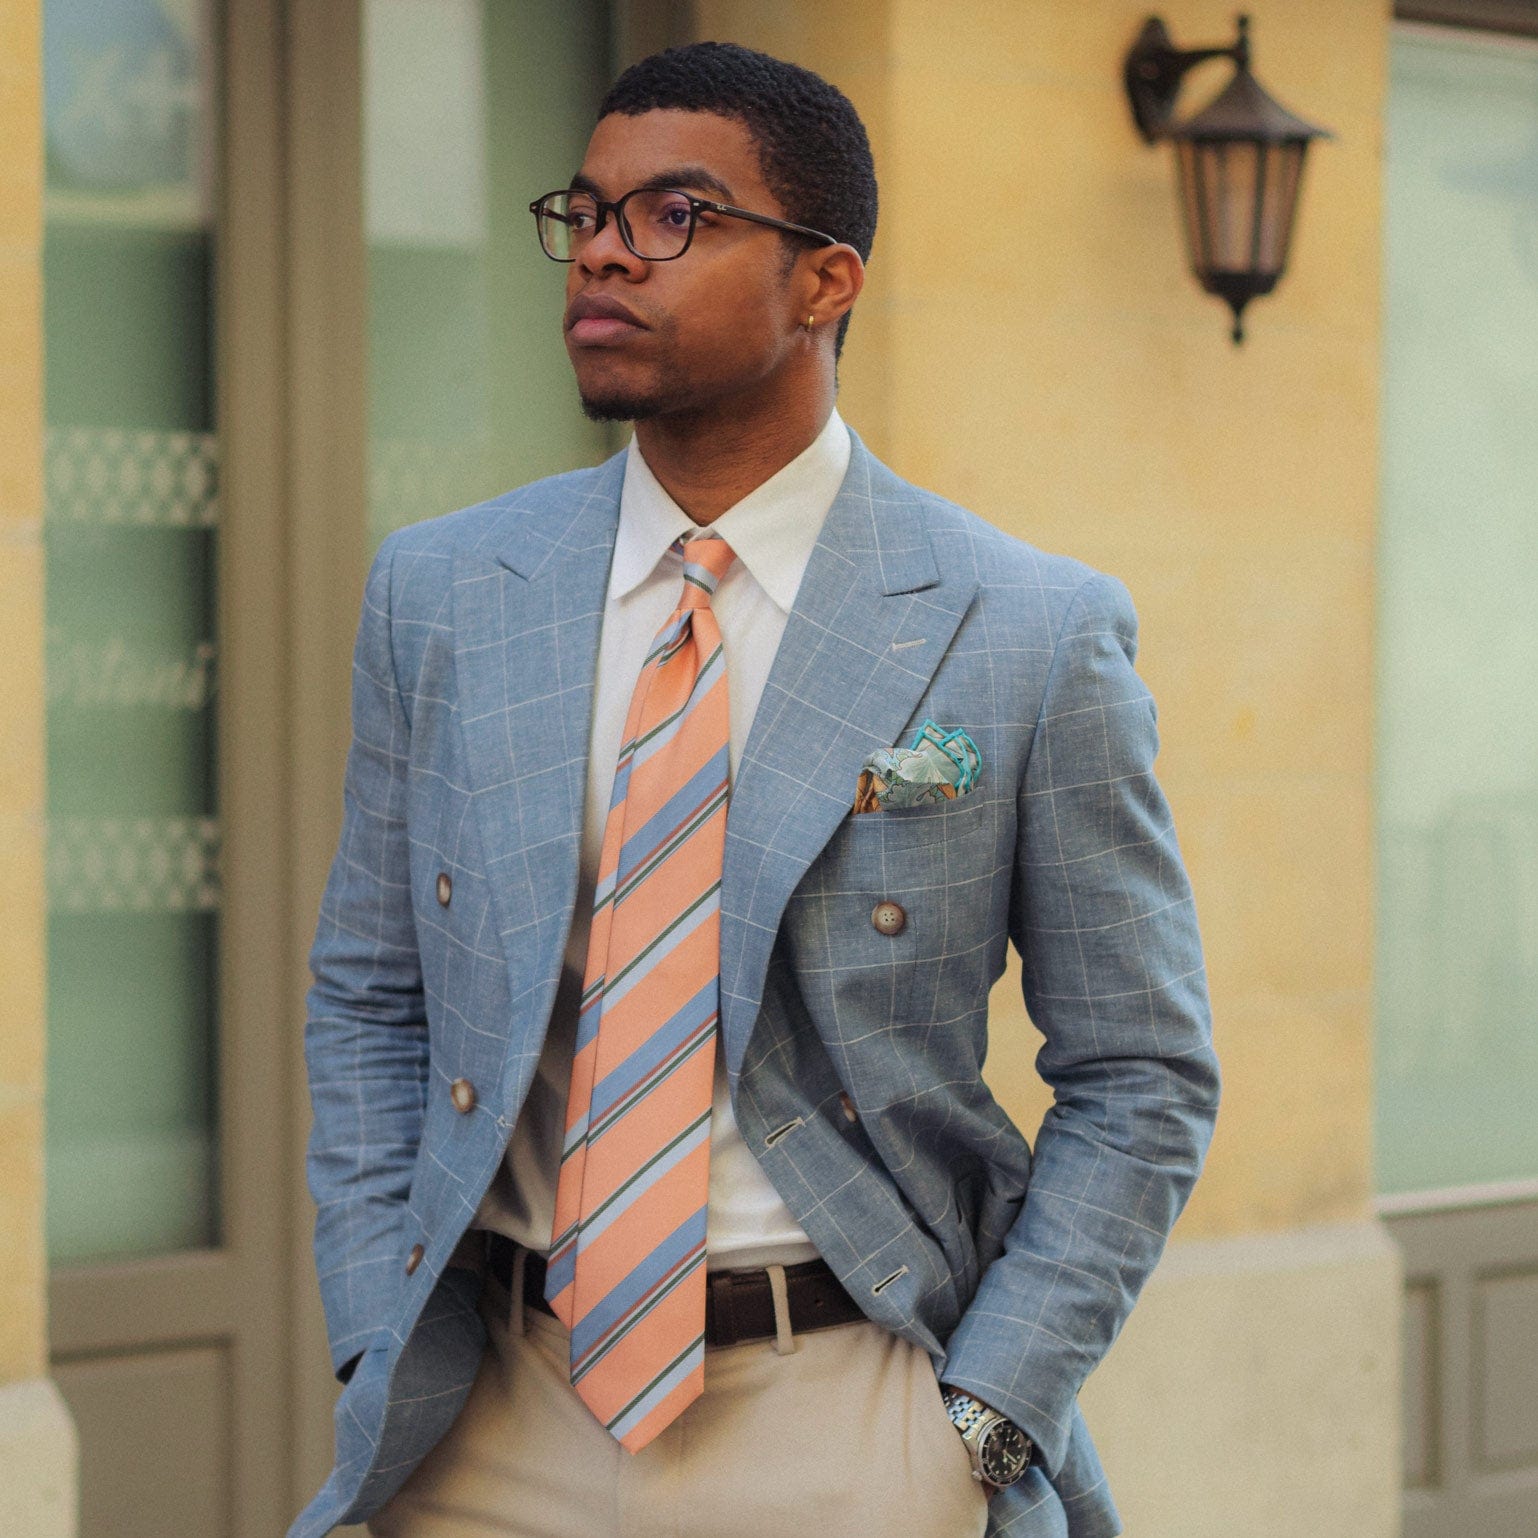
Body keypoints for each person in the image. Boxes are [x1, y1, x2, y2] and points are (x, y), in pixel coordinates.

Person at [290, 40, 1219, 1538]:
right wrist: (365, 1323)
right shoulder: (448, 593)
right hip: (492, 1415)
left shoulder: (1024, 627)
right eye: (584, 211)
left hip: (846, 1425)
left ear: (824, 281)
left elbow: (1140, 1072)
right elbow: (370, 993)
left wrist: (975, 1423)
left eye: (673, 215)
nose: (601, 249)